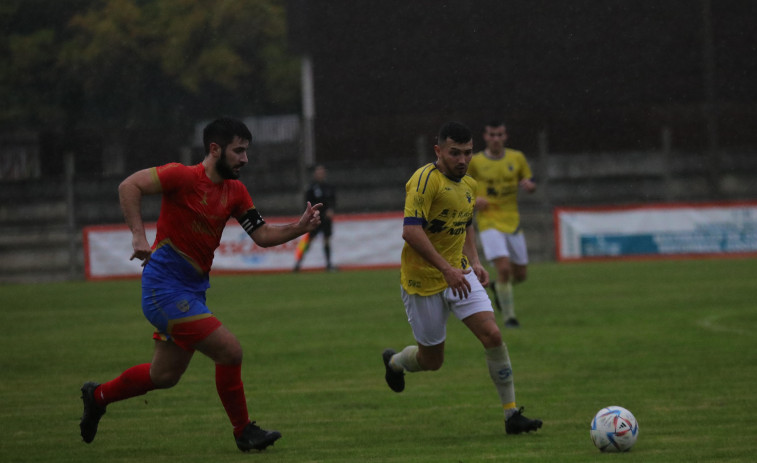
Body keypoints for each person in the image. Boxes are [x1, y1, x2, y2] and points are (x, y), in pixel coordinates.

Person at [79, 117, 322, 452]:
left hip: (191, 291)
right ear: (214, 149)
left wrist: (300, 226)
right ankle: (243, 432)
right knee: (230, 351)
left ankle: (98, 396)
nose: (245, 159)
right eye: (238, 151)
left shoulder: (236, 191)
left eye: (246, 151)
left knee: (164, 376)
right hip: (163, 289)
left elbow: (262, 235)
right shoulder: (182, 176)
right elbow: (128, 186)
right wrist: (138, 235)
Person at [382, 121, 542, 435]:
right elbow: (410, 231)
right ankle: (395, 363)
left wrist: (476, 261)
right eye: (455, 153)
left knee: (493, 336)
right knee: (432, 361)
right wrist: (446, 269)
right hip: (423, 283)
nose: (462, 160)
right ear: (438, 150)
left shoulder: (469, 184)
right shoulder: (425, 181)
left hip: (461, 274)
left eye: (467, 153)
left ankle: (511, 416)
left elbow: (465, 222)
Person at [467, 120, 536, 328]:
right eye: (492, 135)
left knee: (521, 275)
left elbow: (530, 182)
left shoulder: (517, 158)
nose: (496, 139)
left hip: (512, 221)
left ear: (505, 137)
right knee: (504, 268)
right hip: (489, 222)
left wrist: (529, 186)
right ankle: (509, 318)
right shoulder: (476, 162)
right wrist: (473, 200)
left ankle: (499, 286)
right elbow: (462, 186)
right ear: (485, 137)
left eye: (499, 135)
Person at [293, 164, 337, 271]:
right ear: (315, 174)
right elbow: (307, 203)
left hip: (326, 219)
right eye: (318, 172)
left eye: (322, 172)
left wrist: (331, 210)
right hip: (315, 219)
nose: (320, 174)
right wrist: (313, 214)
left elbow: (333, 201)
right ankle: (298, 264)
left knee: (327, 240)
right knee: (308, 241)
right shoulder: (311, 188)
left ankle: (328, 264)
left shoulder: (329, 187)